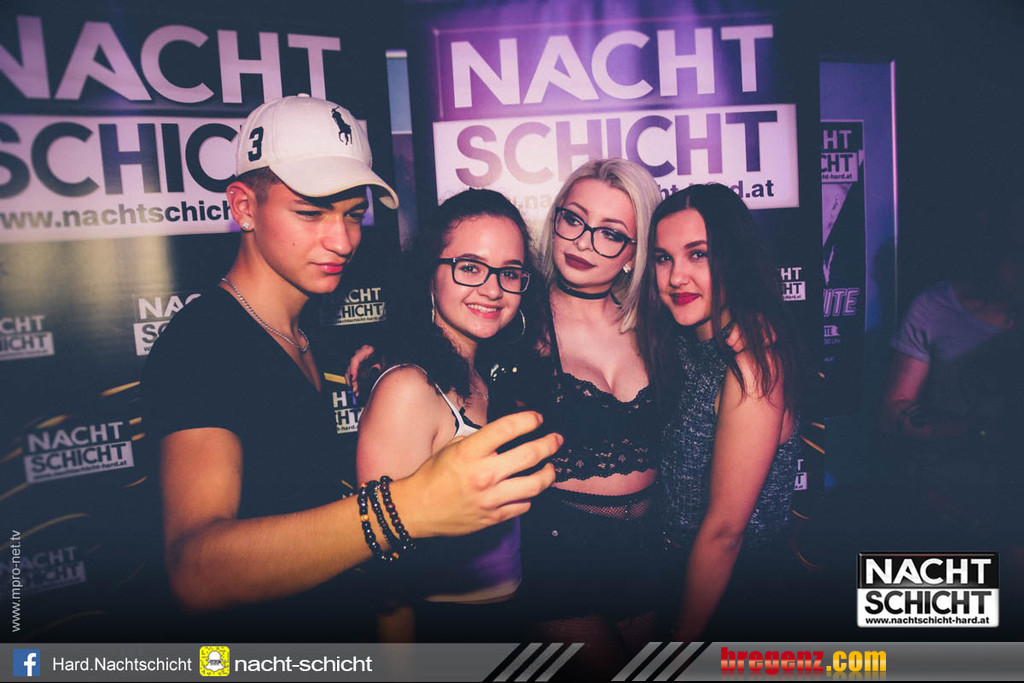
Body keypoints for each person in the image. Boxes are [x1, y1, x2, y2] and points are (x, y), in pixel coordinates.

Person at [142, 95, 560, 641]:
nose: (342, 241)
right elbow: (193, 573)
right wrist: (407, 506)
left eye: (353, 214)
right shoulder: (205, 344)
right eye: (310, 212)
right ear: (243, 206)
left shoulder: (309, 334)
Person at [356, 188, 543, 641]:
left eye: (510, 272)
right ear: (430, 273)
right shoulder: (407, 390)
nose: (493, 289)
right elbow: (387, 572)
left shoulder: (485, 373)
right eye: (471, 267)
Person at [514, 158, 664, 671]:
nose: (584, 242)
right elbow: (447, 333)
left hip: (648, 556)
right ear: (556, 218)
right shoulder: (518, 318)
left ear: (634, 252)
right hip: (559, 557)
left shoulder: (657, 325)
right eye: (574, 220)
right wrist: (386, 347)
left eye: (611, 233)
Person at [637, 183, 801, 641]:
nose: (676, 277)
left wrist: (677, 646)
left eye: (698, 255)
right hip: (679, 573)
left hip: (737, 592)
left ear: (734, 258)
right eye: (663, 258)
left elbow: (725, 533)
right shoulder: (686, 344)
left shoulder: (752, 363)